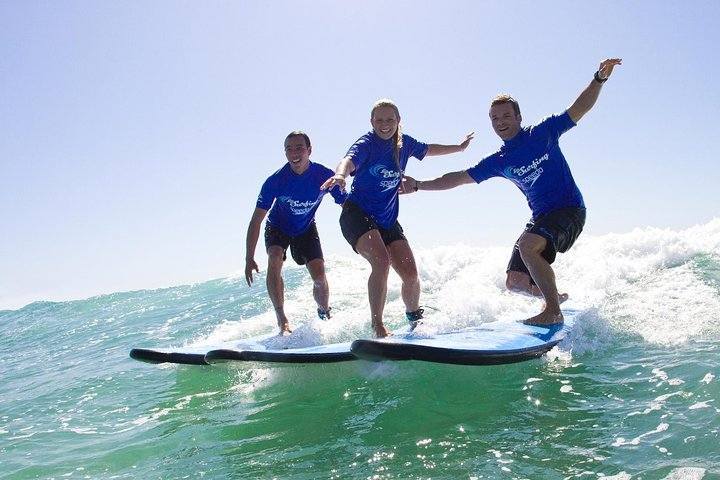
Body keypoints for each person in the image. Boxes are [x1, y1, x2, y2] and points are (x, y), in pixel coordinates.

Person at [403, 58, 622, 326]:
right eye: (495, 118)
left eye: (506, 116)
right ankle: (554, 296)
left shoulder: (543, 132)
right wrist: (418, 185)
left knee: (529, 247)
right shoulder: (498, 160)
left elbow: (580, 107)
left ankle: (552, 310)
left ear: (518, 117)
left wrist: (599, 79)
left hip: (569, 210)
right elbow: (458, 178)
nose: (501, 122)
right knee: (515, 282)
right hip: (542, 217)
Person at [321, 99, 474, 337]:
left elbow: (429, 149)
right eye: (379, 120)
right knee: (381, 263)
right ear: (371, 122)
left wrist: (459, 148)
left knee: (411, 275)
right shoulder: (366, 143)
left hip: (387, 218)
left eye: (390, 120)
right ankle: (377, 326)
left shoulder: (404, 143)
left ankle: (415, 320)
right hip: (357, 214)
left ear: (398, 121)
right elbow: (348, 160)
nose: (385, 125)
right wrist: (340, 175)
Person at [245, 131, 347, 335]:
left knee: (319, 276)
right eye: (289, 149)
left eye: (299, 147)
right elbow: (256, 220)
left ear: (309, 150)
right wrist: (249, 257)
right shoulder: (276, 180)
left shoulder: (323, 175)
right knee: (274, 258)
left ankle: (324, 311)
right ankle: (281, 319)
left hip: (306, 228)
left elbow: (348, 204)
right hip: (278, 227)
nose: (294, 153)